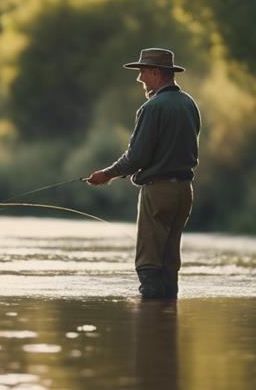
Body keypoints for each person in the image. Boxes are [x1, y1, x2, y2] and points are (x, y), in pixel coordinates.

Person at [85, 48, 201, 299]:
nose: (140, 79)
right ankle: (167, 324)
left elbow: (137, 157)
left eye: (143, 73)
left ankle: (150, 329)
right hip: (184, 192)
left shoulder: (152, 107)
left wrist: (107, 174)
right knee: (170, 263)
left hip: (158, 191)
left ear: (157, 73)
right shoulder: (189, 104)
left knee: (149, 264)